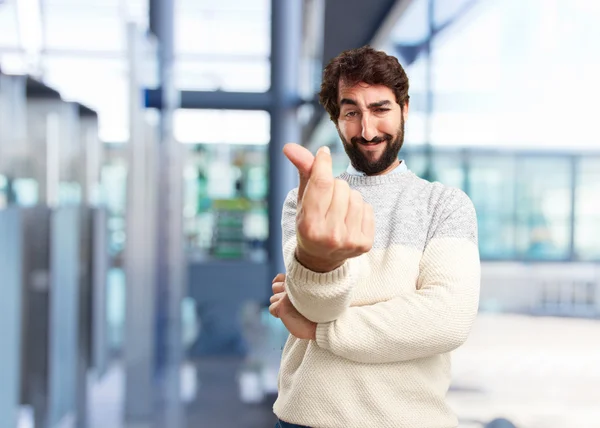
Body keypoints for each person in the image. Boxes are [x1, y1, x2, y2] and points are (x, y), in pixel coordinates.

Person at [268, 45, 480, 428]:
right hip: (305, 419)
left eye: (380, 109)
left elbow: (447, 320)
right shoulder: (307, 200)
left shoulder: (445, 204)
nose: (366, 131)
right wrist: (320, 287)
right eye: (351, 113)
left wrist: (319, 330)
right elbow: (316, 303)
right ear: (336, 119)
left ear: (405, 108)